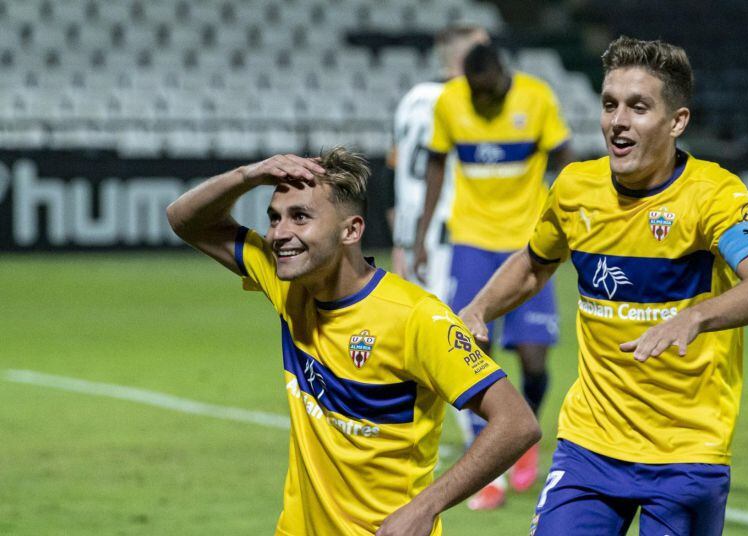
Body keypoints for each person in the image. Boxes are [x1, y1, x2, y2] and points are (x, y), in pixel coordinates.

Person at [458, 36, 748, 535]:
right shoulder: (576, 188)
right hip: (588, 447)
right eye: (610, 104)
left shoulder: (714, 195)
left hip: (686, 454)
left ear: (677, 121)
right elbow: (535, 263)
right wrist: (479, 309)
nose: (618, 121)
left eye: (639, 107)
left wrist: (696, 315)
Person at [166, 147, 540, 536]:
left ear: (351, 230)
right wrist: (248, 174)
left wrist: (425, 507)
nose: (279, 234)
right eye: (274, 218)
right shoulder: (286, 281)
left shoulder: (415, 317)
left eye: (300, 217)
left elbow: (516, 424)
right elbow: (184, 220)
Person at [412, 42, 574, 509]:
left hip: (528, 242)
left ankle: (522, 436)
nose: (483, 100)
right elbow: (438, 165)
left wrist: (575, 213)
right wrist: (424, 233)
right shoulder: (451, 102)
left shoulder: (536, 98)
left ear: (504, 72)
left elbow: (565, 157)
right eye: (476, 92)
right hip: (472, 240)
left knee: (534, 357)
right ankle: (488, 459)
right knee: (471, 349)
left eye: (490, 91)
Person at [386, 24, 490, 302]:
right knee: (453, 328)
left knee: (416, 326)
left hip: (410, 228)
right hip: (449, 227)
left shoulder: (411, 99)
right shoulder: (464, 101)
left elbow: (392, 169)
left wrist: (399, 240)